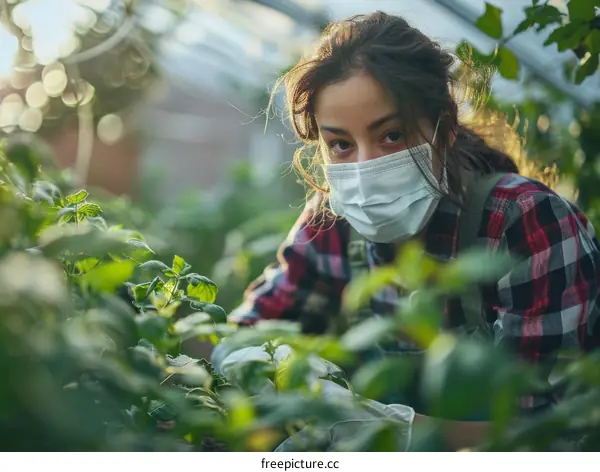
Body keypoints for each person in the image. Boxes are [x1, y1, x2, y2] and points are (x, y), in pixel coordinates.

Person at [214, 11, 600, 451]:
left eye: (391, 135)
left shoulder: (525, 222)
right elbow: (255, 326)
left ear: (445, 128)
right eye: (340, 144)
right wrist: (243, 359)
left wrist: (392, 432)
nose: (364, 168)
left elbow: (545, 434)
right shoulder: (335, 221)